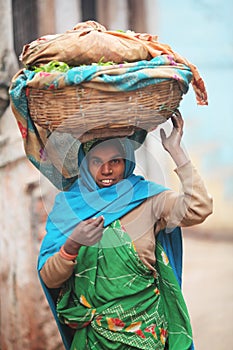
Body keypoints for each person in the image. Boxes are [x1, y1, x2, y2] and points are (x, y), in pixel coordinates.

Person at [38, 111, 213, 350]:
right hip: (94, 340)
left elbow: (198, 208)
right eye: (96, 161)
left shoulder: (147, 199)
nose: (106, 170)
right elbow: (49, 278)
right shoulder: (69, 209)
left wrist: (176, 151)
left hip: (146, 335)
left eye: (115, 161)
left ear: (127, 162)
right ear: (85, 164)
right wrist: (71, 246)